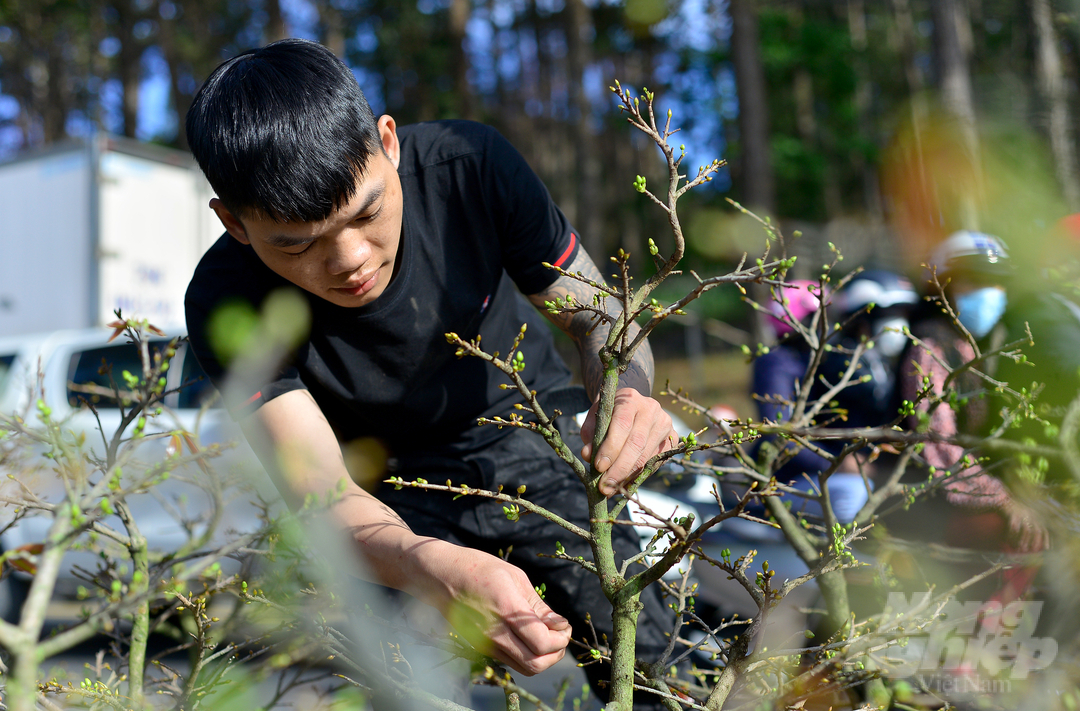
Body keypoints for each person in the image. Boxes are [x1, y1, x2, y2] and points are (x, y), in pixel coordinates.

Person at [181, 39, 681, 703]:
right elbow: (322, 494)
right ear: (234, 224)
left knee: (658, 671)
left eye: (366, 211)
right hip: (384, 498)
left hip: (532, 441)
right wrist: (429, 563)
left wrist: (633, 395)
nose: (351, 259)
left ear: (389, 142)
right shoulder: (224, 298)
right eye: (297, 244)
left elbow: (599, 319)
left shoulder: (470, 166)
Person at [890, 230, 1049, 603]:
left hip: (968, 489)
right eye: (976, 281)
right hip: (926, 499)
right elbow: (937, 442)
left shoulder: (975, 347)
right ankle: (977, 644)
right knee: (1024, 537)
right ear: (942, 288)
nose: (990, 292)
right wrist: (1003, 499)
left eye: (997, 282)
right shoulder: (930, 348)